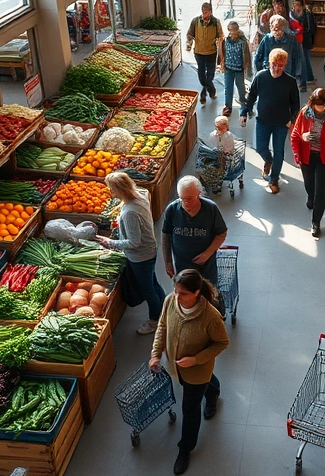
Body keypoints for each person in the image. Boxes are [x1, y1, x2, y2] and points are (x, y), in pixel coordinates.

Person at [150, 269, 230, 475]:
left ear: (196, 293)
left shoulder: (211, 317)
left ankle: (185, 448)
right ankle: (213, 392)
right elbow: (162, 327)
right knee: (204, 382)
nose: (177, 296)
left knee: (190, 408)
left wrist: (196, 359)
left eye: (183, 293)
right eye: (176, 291)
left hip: (196, 369)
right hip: (177, 366)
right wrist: (155, 354)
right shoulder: (169, 301)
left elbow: (222, 342)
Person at [94, 172, 165, 335]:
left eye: (112, 189)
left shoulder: (130, 213)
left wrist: (110, 243)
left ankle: (154, 321)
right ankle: (164, 309)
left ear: (120, 190)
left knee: (148, 289)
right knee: (153, 283)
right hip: (150, 250)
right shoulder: (141, 194)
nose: (111, 192)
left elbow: (134, 242)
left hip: (140, 257)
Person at [241, 48, 300, 194]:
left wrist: (292, 120)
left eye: (281, 65)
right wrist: (244, 112)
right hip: (263, 120)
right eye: (274, 64)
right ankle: (268, 160)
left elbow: (295, 104)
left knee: (279, 151)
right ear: (269, 62)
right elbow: (252, 96)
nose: (277, 68)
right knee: (260, 148)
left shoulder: (290, 82)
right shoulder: (261, 77)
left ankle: (274, 179)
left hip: (282, 122)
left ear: (285, 65)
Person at [290, 88, 325, 239]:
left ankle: (316, 223)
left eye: (322, 105)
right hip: (307, 157)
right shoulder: (304, 113)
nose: (319, 108)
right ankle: (310, 197)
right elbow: (295, 135)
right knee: (310, 185)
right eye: (317, 105)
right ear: (312, 103)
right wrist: (303, 137)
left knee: (320, 188)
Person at [162, 176, 228, 286]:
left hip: (207, 268)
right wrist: (168, 261)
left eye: (189, 198)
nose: (186, 203)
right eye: (182, 199)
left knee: (207, 294)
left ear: (199, 194)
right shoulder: (172, 210)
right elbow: (166, 236)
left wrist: (207, 253)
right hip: (182, 268)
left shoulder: (210, 209)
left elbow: (221, 233)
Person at [186, 2, 224, 104]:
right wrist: (189, 44)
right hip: (199, 52)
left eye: (206, 11)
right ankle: (210, 89)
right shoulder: (196, 21)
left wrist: (219, 45)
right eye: (202, 11)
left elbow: (221, 36)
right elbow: (189, 33)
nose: (204, 13)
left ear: (210, 11)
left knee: (210, 74)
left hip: (211, 52)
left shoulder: (216, 22)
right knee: (201, 74)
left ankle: (204, 93)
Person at [217, 20, 252, 117]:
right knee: (228, 87)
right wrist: (220, 63)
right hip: (228, 68)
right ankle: (228, 106)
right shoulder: (226, 40)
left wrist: (248, 69)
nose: (233, 32)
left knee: (240, 86)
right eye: (231, 30)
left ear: (237, 29)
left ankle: (243, 102)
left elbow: (247, 55)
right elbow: (222, 52)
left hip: (239, 69)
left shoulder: (242, 41)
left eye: (234, 29)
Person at [290, 0, 318, 94]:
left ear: (301, 5)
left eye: (297, 4)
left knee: (304, 60)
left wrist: (302, 31)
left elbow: (311, 29)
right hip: (295, 40)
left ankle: (304, 82)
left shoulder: (307, 14)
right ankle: (308, 78)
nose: (295, 6)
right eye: (294, 3)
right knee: (303, 61)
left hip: (305, 40)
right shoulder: (291, 14)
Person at [203, 116, 238, 194]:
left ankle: (217, 183)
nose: (220, 130)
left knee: (220, 162)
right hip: (215, 155)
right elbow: (210, 146)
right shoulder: (212, 135)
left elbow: (229, 149)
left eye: (222, 128)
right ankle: (211, 179)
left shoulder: (229, 136)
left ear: (226, 127)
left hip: (226, 156)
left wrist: (222, 151)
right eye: (218, 128)